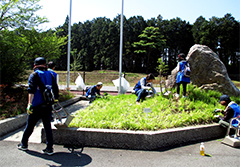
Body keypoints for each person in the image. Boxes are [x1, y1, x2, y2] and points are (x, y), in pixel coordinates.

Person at [17, 57, 59, 155]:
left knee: (30, 126)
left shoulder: (34, 75)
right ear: (45, 65)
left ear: (34, 65)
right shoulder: (51, 75)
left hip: (36, 105)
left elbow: (31, 90)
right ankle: (49, 148)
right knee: (47, 127)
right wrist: (55, 100)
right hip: (47, 106)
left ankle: (24, 144)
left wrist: (29, 104)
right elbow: (55, 89)